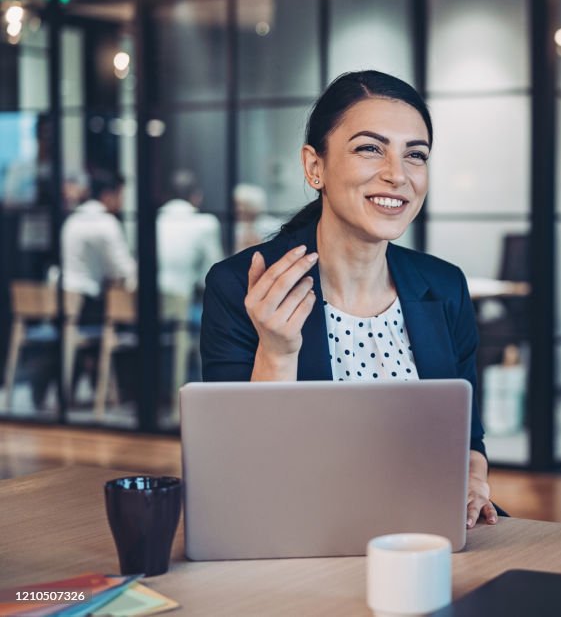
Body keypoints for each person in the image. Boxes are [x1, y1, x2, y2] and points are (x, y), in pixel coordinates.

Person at [201, 70, 499, 529]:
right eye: (369, 148)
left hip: (430, 532)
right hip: (300, 534)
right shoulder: (243, 286)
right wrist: (277, 354)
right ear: (314, 166)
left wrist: (474, 478)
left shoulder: (443, 286)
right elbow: (242, 480)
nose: (397, 174)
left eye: (414, 155)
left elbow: (467, 437)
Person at [61, 169, 136, 311]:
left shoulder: (73, 220)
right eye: (120, 196)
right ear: (107, 196)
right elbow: (121, 268)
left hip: (66, 298)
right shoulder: (105, 222)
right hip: (89, 304)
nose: (122, 202)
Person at [156, 169, 224, 299]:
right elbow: (213, 269)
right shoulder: (206, 223)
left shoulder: (153, 221)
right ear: (196, 196)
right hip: (184, 300)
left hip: (148, 297)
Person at [232, 183, 280, 253]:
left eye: (244, 205)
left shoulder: (273, 226)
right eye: (236, 205)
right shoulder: (233, 228)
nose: (239, 209)